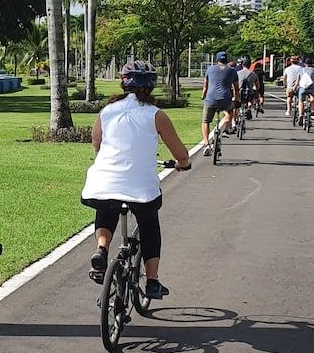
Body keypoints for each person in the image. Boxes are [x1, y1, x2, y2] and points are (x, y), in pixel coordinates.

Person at [83, 60, 191, 297]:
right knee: (149, 224)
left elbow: (96, 143)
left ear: (123, 83)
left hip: (102, 182)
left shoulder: (107, 111)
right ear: (150, 86)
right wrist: (184, 164)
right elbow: (181, 154)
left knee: (106, 210)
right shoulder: (156, 115)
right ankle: (152, 281)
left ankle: (101, 250)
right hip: (141, 189)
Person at [200, 50, 239, 154]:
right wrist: (236, 98)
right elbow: (236, 88)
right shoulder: (232, 70)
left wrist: (203, 95)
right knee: (230, 111)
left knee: (205, 121)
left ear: (217, 60)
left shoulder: (210, 69)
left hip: (211, 99)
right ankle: (225, 128)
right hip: (225, 99)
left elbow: (205, 86)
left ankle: (206, 144)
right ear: (227, 60)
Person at [297, 58, 314, 124]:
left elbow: (298, 80)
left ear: (304, 64)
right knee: (312, 95)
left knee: (301, 101)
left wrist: (296, 86)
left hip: (303, 88)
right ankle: (312, 109)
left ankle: (300, 114)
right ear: (312, 64)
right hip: (311, 88)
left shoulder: (301, 70)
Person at [235, 56, 255, 121]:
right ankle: (248, 108)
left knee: (235, 105)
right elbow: (257, 86)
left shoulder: (237, 73)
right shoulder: (253, 74)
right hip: (249, 93)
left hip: (239, 93)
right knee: (251, 97)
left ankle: (234, 122)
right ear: (250, 65)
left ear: (242, 64)